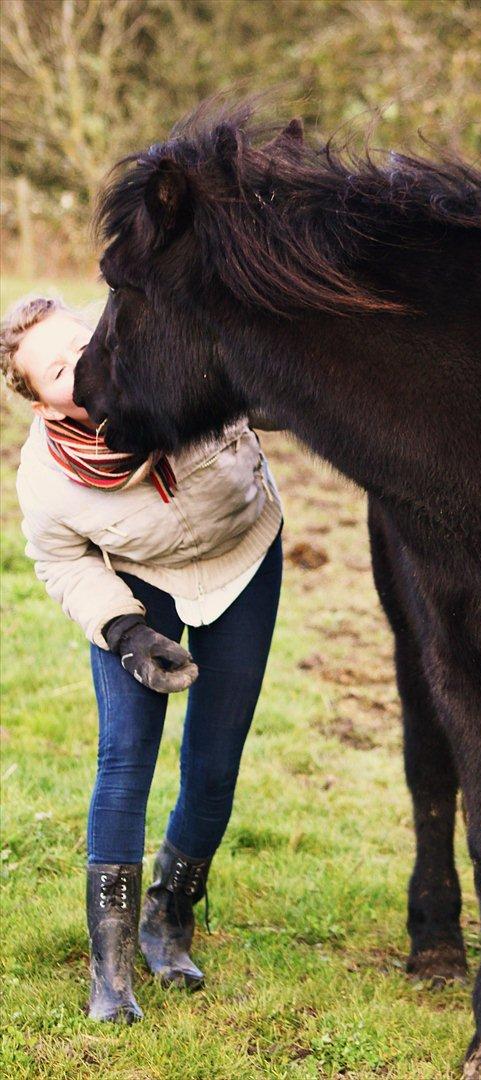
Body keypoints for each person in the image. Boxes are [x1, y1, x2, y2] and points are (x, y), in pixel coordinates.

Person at [1, 294, 284, 1023]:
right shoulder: (45, 478)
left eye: (81, 341)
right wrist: (125, 632)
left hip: (241, 554)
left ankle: (170, 915)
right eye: (59, 370)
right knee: (125, 758)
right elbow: (61, 563)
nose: (84, 362)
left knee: (216, 762)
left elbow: (268, 383)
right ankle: (112, 971)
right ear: (41, 406)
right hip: (137, 582)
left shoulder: (178, 353)